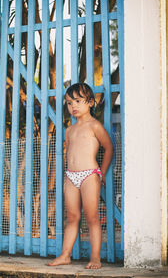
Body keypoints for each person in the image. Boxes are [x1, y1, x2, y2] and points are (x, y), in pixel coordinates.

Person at [48, 83, 114, 269]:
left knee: (92, 217)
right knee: (72, 217)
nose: (73, 106)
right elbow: (70, 154)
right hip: (71, 176)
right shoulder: (69, 131)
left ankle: (95, 258)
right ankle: (65, 255)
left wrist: (101, 171)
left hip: (89, 175)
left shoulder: (95, 126)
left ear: (90, 102)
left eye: (78, 101)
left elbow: (109, 148)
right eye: (69, 103)